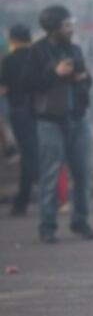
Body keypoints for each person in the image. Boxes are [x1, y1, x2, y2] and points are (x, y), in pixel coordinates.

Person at [28, 5, 93, 242]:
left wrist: (83, 78)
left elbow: (88, 79)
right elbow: (30, 83)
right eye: (67, 25)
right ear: (54, 28)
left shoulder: (75, 49)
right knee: (50, 175)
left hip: (77, 118)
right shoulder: (37, 52)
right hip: (50, 122)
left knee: (84, 174)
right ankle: (47, 227)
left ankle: (81, 221)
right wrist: (54, 72)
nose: (71, 29)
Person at [1, 25, 37, 215]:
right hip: (39, 112)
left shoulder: (9, 61)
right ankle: (22, 201)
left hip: (18, 113)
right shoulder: (37, 57)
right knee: (32, 155)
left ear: (13, 40)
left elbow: (3, 90)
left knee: (29, 157)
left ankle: (24, 200)